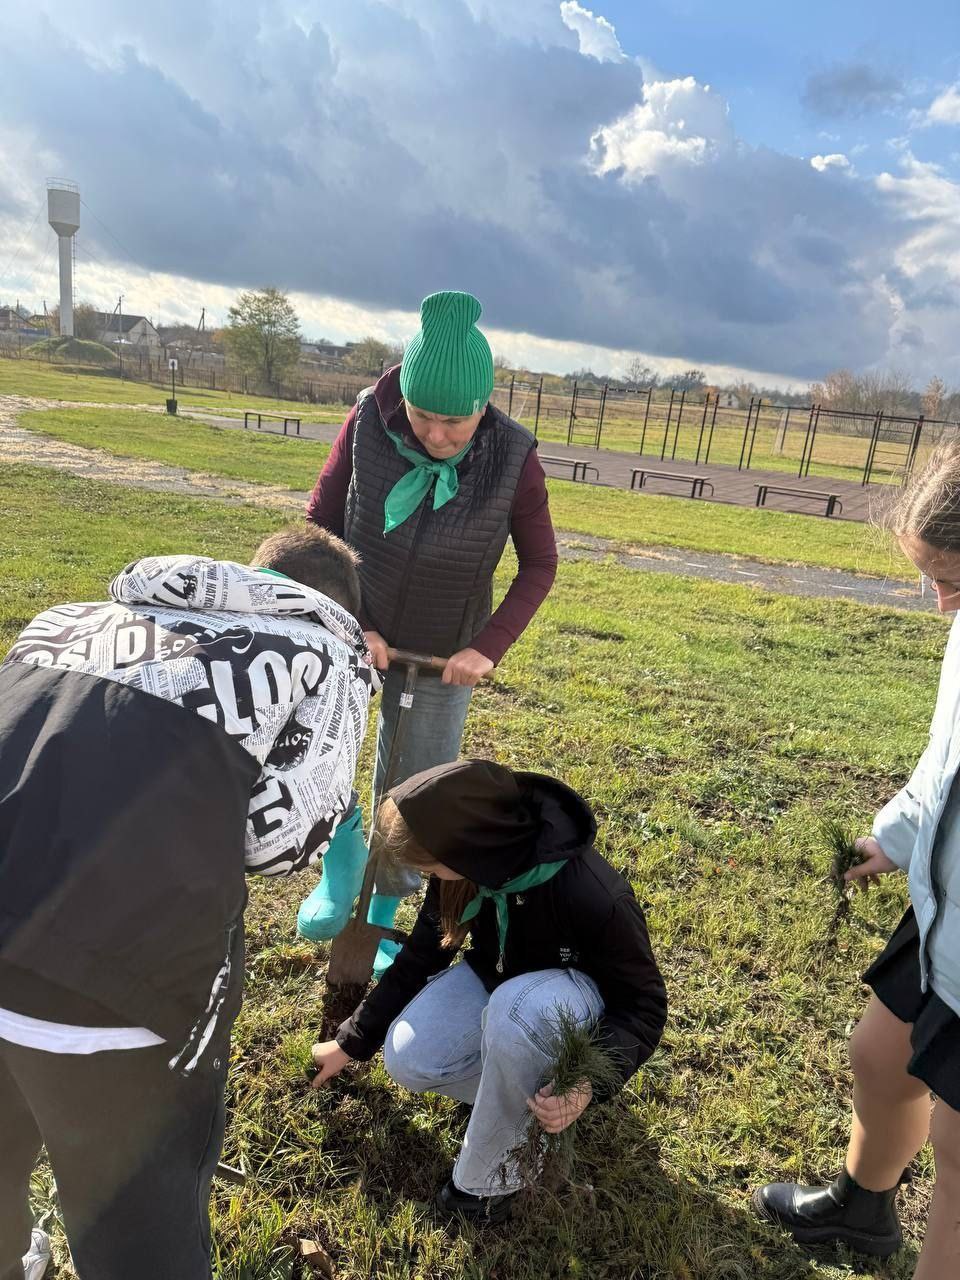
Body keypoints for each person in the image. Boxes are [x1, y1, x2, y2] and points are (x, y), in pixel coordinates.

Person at [0, 527, 376, 1280]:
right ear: (335, 609)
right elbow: (279, 845)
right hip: (118, 982)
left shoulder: (65, 620)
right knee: (138, 1213)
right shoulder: (325, 655)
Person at [298, 290, 558, 977]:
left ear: (484, 405)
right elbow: (319, 528)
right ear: (401, 397)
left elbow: (540, 564)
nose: (437, 434)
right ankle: (338, 861)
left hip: (447, 650)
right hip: (356, 631)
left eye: (456, 420)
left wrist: (486, 647)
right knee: (322, 752)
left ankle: (381, 920)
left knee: (414, 789)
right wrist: (358, 624)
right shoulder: (364, 422)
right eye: (422, 416)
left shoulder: (514, 459)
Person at [754, 442, 960, 1276]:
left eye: (956, 577)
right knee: (880, 1056)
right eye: (931, 577)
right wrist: (901, 838)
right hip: (947, 920)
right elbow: (944, 763)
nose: (942, 602)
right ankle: (863, 1210)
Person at [309, 759, 668, 1223]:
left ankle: (487, 1187)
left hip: (567, 1000)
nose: (432, 877)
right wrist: (351, 1040)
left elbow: (644, 1004)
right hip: (501, 980)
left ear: (471, 846)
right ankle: (522, 1102)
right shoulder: (465, 870)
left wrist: (587, 1085)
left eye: (434, 866)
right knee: (409, 1056)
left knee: (517, 1010)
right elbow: (422, 954)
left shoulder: (591, 893)